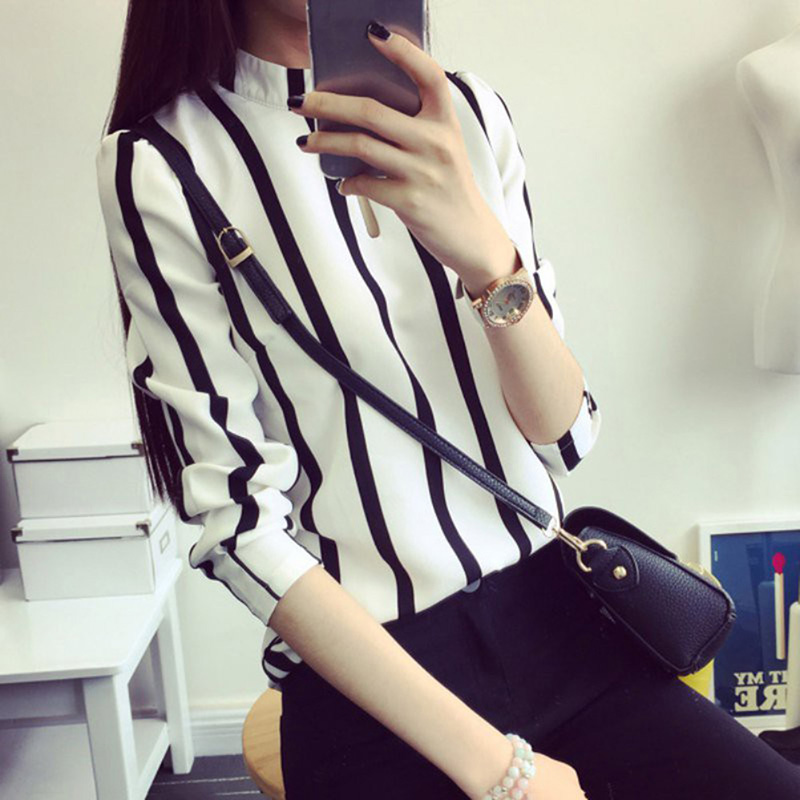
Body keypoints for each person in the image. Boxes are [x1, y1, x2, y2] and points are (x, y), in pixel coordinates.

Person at [94, 2, 800, 798]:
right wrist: (504, 771)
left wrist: (487, 259)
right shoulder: (160, 164)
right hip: (374, 689)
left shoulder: (469, 111)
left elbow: (564, 435)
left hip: (561, 623)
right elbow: (239, 523)